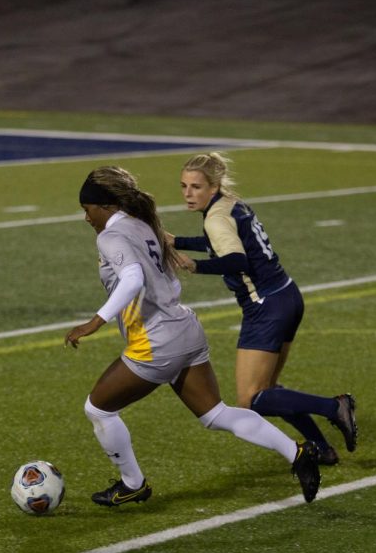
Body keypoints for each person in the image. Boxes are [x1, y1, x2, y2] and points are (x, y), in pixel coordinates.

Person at [64, 166, 322, 506]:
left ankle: (133, 483)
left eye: (87, 210)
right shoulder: (143, 224)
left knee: (98, 409)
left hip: (156, 342)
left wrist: (96, 321)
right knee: (215, 414)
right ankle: (297, 451)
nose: (86, 218)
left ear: (105, 206)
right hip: (185, 328)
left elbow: (132, 278)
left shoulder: (110, 236)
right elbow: (161, 276)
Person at [167, 152, 357, 467]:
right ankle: (320, 447)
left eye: (196, 187)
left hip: (265, 307)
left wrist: (194, 266)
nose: (188, 193)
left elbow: (236, 259)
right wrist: (179, 242)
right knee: (267, 388)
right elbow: (225, 241)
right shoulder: (231, 204)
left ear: (213, 187)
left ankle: (334, 407)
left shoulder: (215, 217)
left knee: (252, 399)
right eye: (184, 186)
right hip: (287, 295)